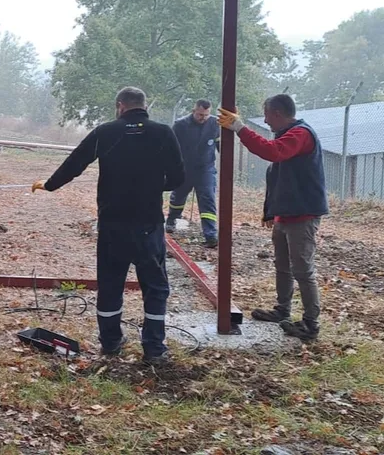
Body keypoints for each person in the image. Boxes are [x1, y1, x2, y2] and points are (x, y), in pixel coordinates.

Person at [32, 87, 185, 364]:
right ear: (143, 105)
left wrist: (50, 185)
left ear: (120, 106)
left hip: (112, 223)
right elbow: (177, 178)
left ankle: (111, 342)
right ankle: (154, 348)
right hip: (148, 224)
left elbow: (75, 163)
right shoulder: (163, 132)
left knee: (111, 283)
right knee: (155, 287)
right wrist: (151, 187)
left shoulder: (105, 132)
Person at [217, 94, 328, 342]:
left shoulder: (300, 134)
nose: (265, 121)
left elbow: (272, 153)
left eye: (266, 115)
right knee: (283, 266)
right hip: (287, 214)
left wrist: (239, 128)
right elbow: (276, 174)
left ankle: (311, 324)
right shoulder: (287, 134)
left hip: (303, 214)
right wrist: (270, 211)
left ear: (277, 113)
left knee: (302, 270)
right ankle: (282, 310)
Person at [166, 99, 220, 248]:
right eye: (200, 114)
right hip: (184, 168)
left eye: (206, 115)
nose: (203, 118)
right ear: (193, 111)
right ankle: (171, 220)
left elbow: (220, 144)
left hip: (205, 169)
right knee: (179, 197)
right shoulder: (180, 125)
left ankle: (210, 235)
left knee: (208, 199)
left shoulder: (215, 124)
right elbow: (171, 148)